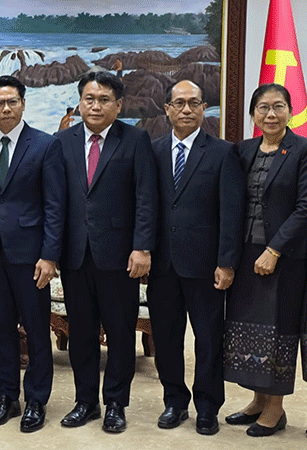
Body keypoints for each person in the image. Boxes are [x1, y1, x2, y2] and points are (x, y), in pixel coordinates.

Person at [54, 71, 156, 433]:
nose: (95, 106)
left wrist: (142, 247)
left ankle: (115, 403)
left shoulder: (135, 140)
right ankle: (86, 402)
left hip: (119, 256)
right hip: (75, 255)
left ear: (119, 105)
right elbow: (56, 202)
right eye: (89, 99)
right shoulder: (62, 141)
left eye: (104, 100)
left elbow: (146, 198)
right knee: (81, 333)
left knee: (120, 332)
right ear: (80, 102)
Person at [0, 75, 65, 432]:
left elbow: (55, 206)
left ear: (23, 104)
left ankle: (36, 400)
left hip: (32, 255)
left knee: (36, 330)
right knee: (2, 328)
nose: (6, 108)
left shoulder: (45, 145)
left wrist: (50, 256)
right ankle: (6, 396)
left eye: (12, 102)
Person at [147, 80, 244, 435]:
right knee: (166, 339)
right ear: (167, 109)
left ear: (204, 108)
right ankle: (174, 401)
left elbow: (231, 213)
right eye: (179, 103)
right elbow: (145, 206)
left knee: (208, 340)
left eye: (194, 103)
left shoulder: (223, 152)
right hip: (162, 265)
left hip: (205, 266)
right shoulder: (153, 151)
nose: (186, 109)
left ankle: (207, 406)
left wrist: (227, 262)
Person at [223, 83, 307, 437]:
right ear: (252, 114)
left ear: (290, 110)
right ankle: (258, 401)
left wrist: (274, 250)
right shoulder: (243, 150)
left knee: (279, 332)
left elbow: (305, 207)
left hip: (286, 260)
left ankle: (275, 408)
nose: (270, 114)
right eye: (263, 107)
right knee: (250, 331)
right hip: (246, 255)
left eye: (278, 106)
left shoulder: (302, 150)